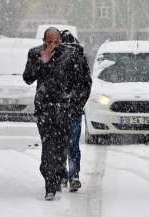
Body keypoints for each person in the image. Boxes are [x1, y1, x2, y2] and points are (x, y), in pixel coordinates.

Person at [23, 27, 90, 201]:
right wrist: (42, 61)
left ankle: (59, 174)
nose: (53, 45)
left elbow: (83, 83)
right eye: (49, 41)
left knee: (61, 148)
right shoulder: (35, 53)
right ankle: (50, 186)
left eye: (56, 41)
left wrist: (75, 105)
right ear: (44, 40)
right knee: (48, 147)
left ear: (60, 41)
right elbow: (28, 78)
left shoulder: (71, 55)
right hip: (45, 109)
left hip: (65, 110)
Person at [60, 30, 92, 192]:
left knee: (60, 144)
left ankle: (65, 176)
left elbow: (86, 84)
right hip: (72, 109)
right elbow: (87, 85)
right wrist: (78, 102)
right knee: (72, 145)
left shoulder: (57, 59)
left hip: (61, 110)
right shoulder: (80, 59)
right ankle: (72, 176)